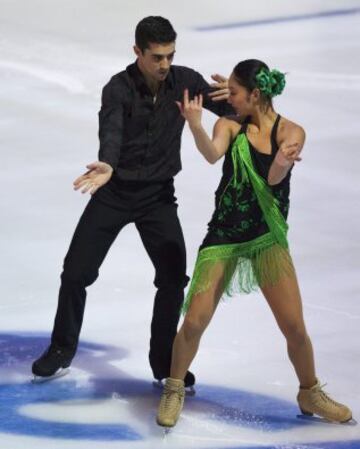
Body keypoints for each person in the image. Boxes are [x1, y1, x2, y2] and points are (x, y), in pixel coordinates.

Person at [31, 16, 232, 388]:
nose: (164, 64)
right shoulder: (118, 89)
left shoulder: (186, 82)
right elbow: (111, 130)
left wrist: (242, 94)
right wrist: (107, 162)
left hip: (158, 197)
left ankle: (162, 362)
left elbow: (233, 113)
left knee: (173, 278)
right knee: (75, 273)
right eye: (156, 57)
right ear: (137, 51)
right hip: (115, 193)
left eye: (170, 55)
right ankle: (61, 349)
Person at [156, 59, 352, 426]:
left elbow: (275, 179)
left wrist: (281, 160)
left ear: (256, 95)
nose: (228, 98)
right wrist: (196, 125)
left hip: (266, 238)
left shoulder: (291, 132)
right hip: (225, 235)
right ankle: (174, 387)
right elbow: (212, 154)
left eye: (234, 92)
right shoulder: (229, 124)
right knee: (195, 321)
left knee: (294, 327)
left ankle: (309, 390)